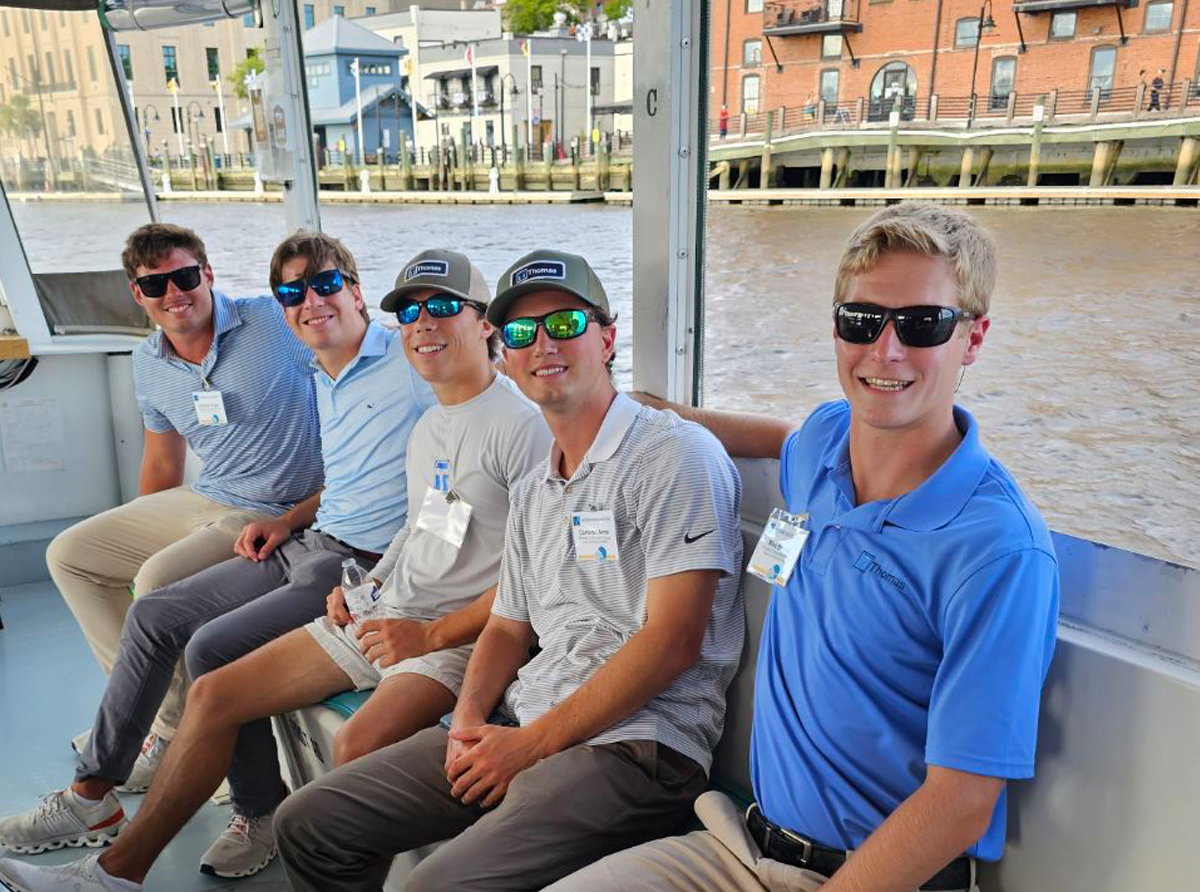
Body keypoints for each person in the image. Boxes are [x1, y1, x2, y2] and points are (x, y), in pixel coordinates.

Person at [547, 203, 1060, 892]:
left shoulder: (999, 552)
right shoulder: (822, 446)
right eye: (861, 321)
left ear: (973, 339)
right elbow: (784, 438)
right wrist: (668, 417)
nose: (887, 350)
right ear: (836, 329)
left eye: (923, 324)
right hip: (741, 846)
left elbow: (962, 804)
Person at [272, 249, 745, 892]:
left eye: (564, 325)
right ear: (507, 353)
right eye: (522, 332)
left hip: (637, 749)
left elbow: (673, 642)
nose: (542, 344)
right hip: (523, 718)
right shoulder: (536, 486)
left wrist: (531, 745)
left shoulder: (673, 455)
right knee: (310, 821)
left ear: (606, 339)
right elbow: (506, 626)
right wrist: (469, 722)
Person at [0, 233, 436, 887]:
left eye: (324, 286)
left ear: (356, 292)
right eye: (293, 293)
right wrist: (288, 521)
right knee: (154, 613)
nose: (309, 303)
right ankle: (93, 793)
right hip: (301, 534)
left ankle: (253, 813)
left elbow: (469, 461)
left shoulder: (409, 363)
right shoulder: (320, 373)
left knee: (210, 649)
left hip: (351, 562)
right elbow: (342, 479)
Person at [43, 223, 323, 790]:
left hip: (275, 506)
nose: (174, 294)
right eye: (156, 285)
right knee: (69, 555)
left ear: (208, 274)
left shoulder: (273, 321)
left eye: (185, 276)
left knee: (154, 585)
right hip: (204, 495)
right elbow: (162, 463)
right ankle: (160, 720)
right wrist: (151, 529)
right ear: (137, 295)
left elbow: (348, 346)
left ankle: (167, 732)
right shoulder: (147, 362)